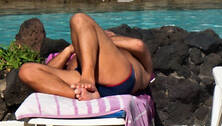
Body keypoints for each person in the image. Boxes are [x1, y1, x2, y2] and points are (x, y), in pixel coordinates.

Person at [18, 13, 152, 101]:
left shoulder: (117, 50)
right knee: (26, 71)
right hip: (85, 81)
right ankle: (83, 94)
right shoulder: (75, 56)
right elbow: (46, 71)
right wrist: (69, 50)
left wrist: (108, 39)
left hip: (115, 77)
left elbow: (138, 45)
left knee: (79, 19)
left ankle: (89, 78)